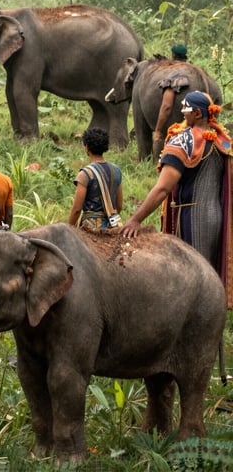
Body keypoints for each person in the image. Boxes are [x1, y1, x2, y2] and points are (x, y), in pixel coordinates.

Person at [122, 91, 233, 305]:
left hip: (192, 216)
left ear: (198, 114)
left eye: (186, 109)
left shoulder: (183, 140)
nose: (182, 112)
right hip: (215, 214)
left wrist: (136, 218)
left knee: (191, 274)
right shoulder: (221, 141)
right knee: (207, 269)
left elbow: (163, 188)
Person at [68, 127, 123, 230]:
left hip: (91, 229)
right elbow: (119, 205)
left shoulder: (85, 174)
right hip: (113, 226)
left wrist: (69, 229)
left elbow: (76, 210)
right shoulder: (116, 171)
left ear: (87, 147)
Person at [153, 43, 190, 156]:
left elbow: (167, 106)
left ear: (173, 55)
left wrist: (158, 130)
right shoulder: (192, 69)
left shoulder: (174, 73)